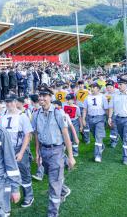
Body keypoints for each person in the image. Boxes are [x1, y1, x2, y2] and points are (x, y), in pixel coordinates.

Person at [32, 85, 76, 217]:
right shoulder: (36, 114)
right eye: (40, 95)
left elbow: (66, 135)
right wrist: (37, 153)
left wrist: (71, 156)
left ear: (50, 97)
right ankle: (63, 191)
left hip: (56, 151)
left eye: (44, 96)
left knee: (53, 184)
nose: (41, 98)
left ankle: (52, 214)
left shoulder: (58, 113)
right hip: (44, 151)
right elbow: (36, 135)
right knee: (53, 179)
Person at [0, 94, 34, 208]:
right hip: (6, 149)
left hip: (18, 148)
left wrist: (22, 152)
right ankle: (10, 195)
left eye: (10, 101)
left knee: (24, 173)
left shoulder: (22, 116)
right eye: (6, 102)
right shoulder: (3, 115)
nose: (8, 104)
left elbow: (28, 135)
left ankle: (29, 196)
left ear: (15, 102)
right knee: (7, 173)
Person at [82, 82, 109, 162]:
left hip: (100, 118)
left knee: (98, 136)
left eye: (93, 87)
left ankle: (97, 156)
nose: (92, 89)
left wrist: (109, 119)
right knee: (95, 135)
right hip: (90, 118)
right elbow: (85, 109)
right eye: (91, 87)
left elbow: (106, 109)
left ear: (98, 88)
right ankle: (102, 146)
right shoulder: (87, 97)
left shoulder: (102, 97)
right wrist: (83, 119)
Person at [104, 80, 119, 148]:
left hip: (117, 112)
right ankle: (114, 139)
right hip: (109, 113)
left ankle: (114, 140)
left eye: (110, 87)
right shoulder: (106, 95)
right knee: (112, 127)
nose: (109, 89)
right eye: (107, 87)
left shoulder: (118, 93)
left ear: (113, 87)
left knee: (114, 127)